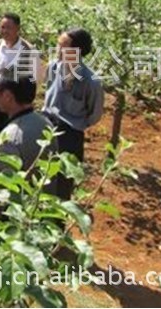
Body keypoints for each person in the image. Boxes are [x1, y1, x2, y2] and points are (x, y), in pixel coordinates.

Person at [42, 28, 104, 200]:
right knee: (40, 176)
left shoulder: (90, 81)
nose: (58, 49)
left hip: (69, 136)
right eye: (58, 45)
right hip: (47, 127)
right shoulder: (54, 67)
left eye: (63, 46)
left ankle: (57, 223)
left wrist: (75, 124)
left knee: (62, 185)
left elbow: (95, 114)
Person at [0, 73, 58, 197]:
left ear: (8, 96)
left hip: (20, 208)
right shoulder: (47, 124)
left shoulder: (8, 137)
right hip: (43, 201)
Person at [0, 13, 41, 153]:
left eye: (8, 28)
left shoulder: (28, 49)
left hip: (15, 95)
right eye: (2, 27)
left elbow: (35, 76)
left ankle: (10, 152)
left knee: (13, 124)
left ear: (18, 28)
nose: (5, 31)